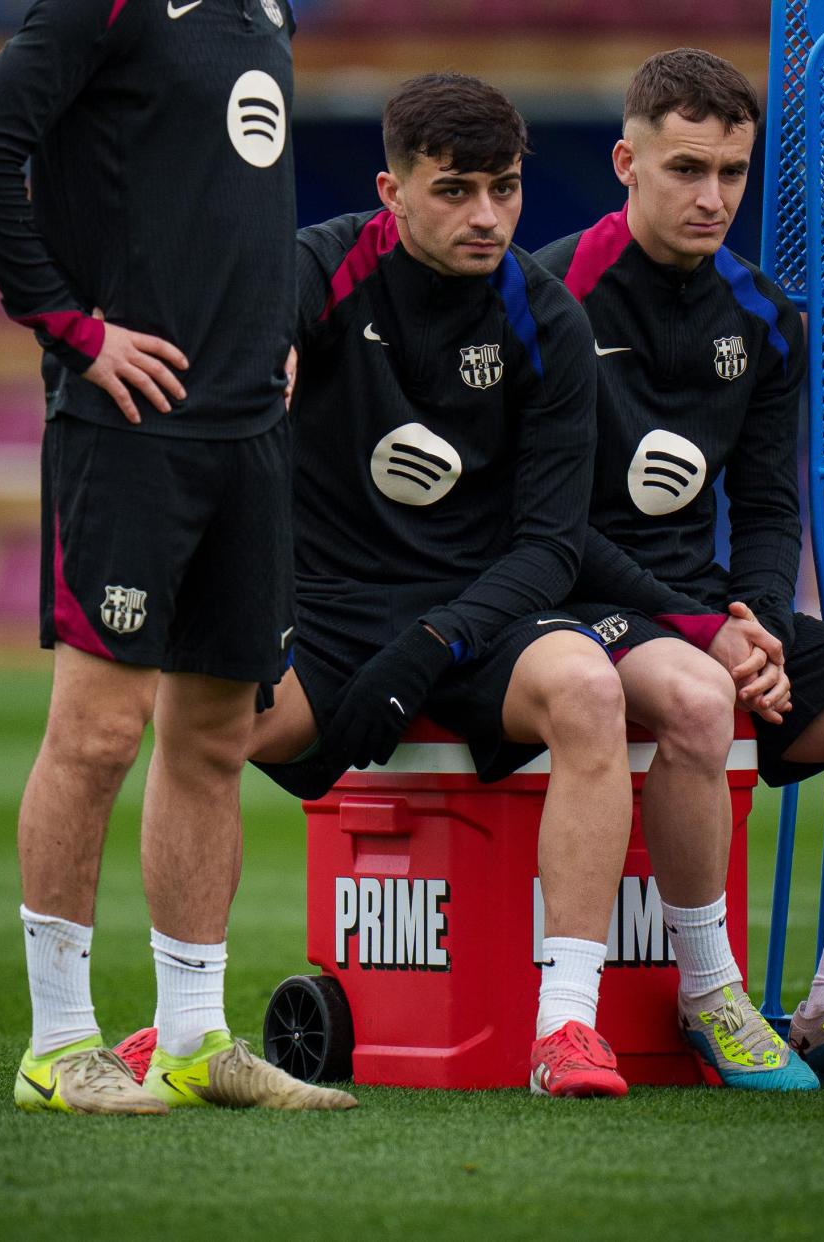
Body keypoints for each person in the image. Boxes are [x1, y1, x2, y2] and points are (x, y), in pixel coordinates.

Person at [0, 0, 353, 1115]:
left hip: (246, 429)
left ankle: (187, 1036)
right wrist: (73, 326)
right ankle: (60, 1046)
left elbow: (233, 207)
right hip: (127, 431)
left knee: (213, 739)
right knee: (98, 733)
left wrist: (273, 338)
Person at [536, 47, 824, 1089]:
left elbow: (771, 503)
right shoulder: (545, 296)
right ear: (624, 161)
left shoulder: (764, 313)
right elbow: (540, 524)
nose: (712, 195)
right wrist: (705, 635)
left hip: (709, 608)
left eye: (732, 170)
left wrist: (757, 621)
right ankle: (712, 995)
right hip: (574, 601)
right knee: (692, 698)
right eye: (686, 168)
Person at [250, 70, 658, 1099]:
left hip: (486, 613)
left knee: (589, 690)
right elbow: (248, 352)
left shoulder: (545, 316)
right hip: (332, 610)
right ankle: (185, 1017)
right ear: (390, 191)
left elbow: (551, 544)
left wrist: (435, 641)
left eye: (504, 188)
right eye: (453, 189)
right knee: (203, 725)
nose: (485, 214)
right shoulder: (318, 268)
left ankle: (565, 1022)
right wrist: (263, 361)